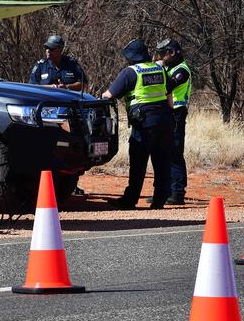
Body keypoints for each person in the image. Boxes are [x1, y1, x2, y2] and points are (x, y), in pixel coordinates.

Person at [102, 39, 174, 209]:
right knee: (162, 161)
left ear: (131, 57)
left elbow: (109, 96)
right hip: (165, 121)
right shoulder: (161, 69)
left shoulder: (130, 72)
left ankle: (130, 200)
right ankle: (159, 201)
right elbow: (169, 97)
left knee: (138, 163)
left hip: (144, 124)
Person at [29, 34, 88, 196]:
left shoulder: (72, 64)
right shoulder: (40, 66)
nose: (47, 51)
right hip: (47, 115)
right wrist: (52, 88)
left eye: (51, 48)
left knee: (71, 149)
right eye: (46, 48)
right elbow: (31, 88)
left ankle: (71, 183)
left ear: (60, 50)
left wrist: (66, 87)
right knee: (51, 149)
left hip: (70, 114)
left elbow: (82, 84)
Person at [154, 38, 191, 205]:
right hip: (166, 112)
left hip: (177, 113)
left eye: (163, 54)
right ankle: (164, 191)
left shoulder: (182, 71)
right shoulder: (170, 67)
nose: (161, 57)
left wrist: (159, 70)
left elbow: (169, 85)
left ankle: (177, 193)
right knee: (163, 152)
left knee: (175, 152)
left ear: (172, 52)